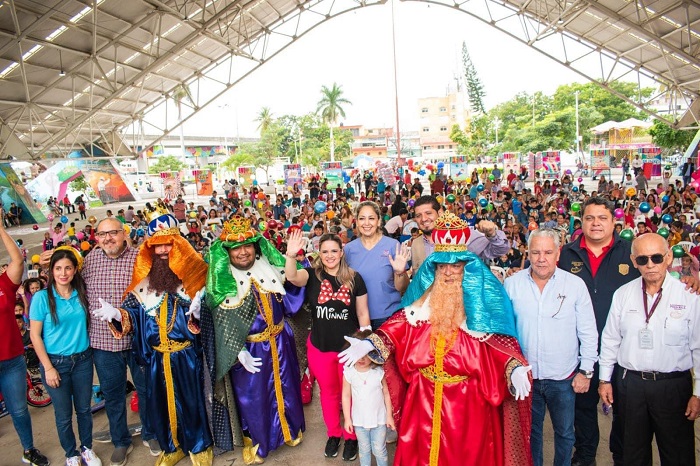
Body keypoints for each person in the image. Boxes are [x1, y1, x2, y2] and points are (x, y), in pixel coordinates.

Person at [339, 211, 533, 466]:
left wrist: (514, 367)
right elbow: (396, 329)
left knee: (467, 455)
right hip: (424, 397)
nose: (450, 273)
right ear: (435, 269)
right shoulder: (422, 306)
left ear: (466, 267)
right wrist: (369, 342)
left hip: (468, 402)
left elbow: (501, 346)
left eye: (456, 266)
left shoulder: (482, 306)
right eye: (443, 266)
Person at [93, 205, 213, 466]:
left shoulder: (195, 274)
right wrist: (117, 314)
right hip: (157, 357)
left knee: (192, 401)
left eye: (167, 245)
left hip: (187, 353)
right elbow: (134, 313)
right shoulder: (145, 282)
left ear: (178, 245)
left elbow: (210, 316)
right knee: (159, 404)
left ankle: (199, 445)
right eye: (156, 246)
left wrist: (196, 314)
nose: (161, 251)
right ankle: (172, 447)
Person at [202, 215, 305, 464]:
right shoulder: (220, 280)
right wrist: (237, 351)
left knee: (288, 389)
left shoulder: (269, 266)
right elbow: (219, 322)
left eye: (248, 245)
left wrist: (290, 257)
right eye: (236, 248)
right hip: (249, 350)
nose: (243, 252)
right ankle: (259, 443)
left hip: (280, 341)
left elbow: (296, 283)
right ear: (228, 251)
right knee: (255, 399)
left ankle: (290, 431)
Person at [598, 233, 700, 465]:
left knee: (678, 455)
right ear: (634, 262)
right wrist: (604, 380)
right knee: (632, 455)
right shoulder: (623, 294)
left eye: (656, 257)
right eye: (643, 259)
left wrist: (698, 393)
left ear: (668, 257)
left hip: (673, 387)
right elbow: (611, 339)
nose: (650, 265)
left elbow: (698, 347)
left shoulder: (690, 295)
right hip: (631, 386)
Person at [504, 229, 598, 466]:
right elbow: (504, 332)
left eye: (547, 252)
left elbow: (588, 331)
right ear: (528, 252)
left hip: (563, 377)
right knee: (531, 434)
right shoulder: (512, 284)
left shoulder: (575, 285)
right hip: (527, 378)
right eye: (535, 252)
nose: (541, 258)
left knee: (565, 433)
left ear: (558, 253)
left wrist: (586, 371)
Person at [285, 230, 370, 460]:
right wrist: (290, 256)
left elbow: (363, 314)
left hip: (348, 350)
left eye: (334, 251)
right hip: (320, 348)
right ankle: (334, 433)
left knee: (350, 394)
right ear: (319, 254)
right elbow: (292, 277)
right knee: (329, 394)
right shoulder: (312, 275)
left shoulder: (354, 278)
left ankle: (351, 437)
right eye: (325, 252)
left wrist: (365, 344)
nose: (330, 256)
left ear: (341, 253)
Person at [81, 217, 159, 464]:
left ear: (124, 233)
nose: (108, 238)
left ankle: (151, 433)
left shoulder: (140, 258)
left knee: (146, 389)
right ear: (96, 238)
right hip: (104, 344)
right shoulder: (89, 260)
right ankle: (120, 441)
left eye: (113, 233)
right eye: (102, 234)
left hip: (138, 340)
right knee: (113, 396)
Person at [30, 247, 101, 466]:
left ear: (74, 270)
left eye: (68, 268)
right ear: (50, 271)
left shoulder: (82, 293)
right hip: (55, 363)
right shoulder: (42, 298)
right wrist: (48, 367)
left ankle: (87, 449)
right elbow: (35, 335)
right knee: (63, 415)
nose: (63, 273)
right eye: (58, 268)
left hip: (82, 360)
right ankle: (71, 454)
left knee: (83, 410)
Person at [0, 216, 50, 466]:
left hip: (11, 362)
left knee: (19, 410)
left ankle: (28, 450)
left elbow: (18, 260)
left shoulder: (4, 284)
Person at [343, 201, 410, 329]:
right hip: (357, 318)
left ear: (379, 221)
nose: (366, 223)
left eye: (371, 218)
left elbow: (402, 287)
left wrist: (399, 272)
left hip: (387, 317)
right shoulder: (349, 249)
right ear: (357, 222)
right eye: (362, 218)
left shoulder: (393, 246)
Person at [411, 195, 509, 273]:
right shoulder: (416, 243)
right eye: (418, 216)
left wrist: (492, 234)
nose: (423, 219)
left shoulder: (462, 235)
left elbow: (500, 250)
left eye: (428, 213)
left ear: (440, 212)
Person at [341, 330, 394, 466]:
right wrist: (347, 418)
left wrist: (389, 416)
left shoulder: (379, 373)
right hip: (359, 421)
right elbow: (346, 396)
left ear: (374, 354)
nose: (362, 359)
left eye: (366, 354)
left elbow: (387, 394)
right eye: (358, 354)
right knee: (364, 450)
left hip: (379, 420)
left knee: (379, 450)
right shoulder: (349, 373)